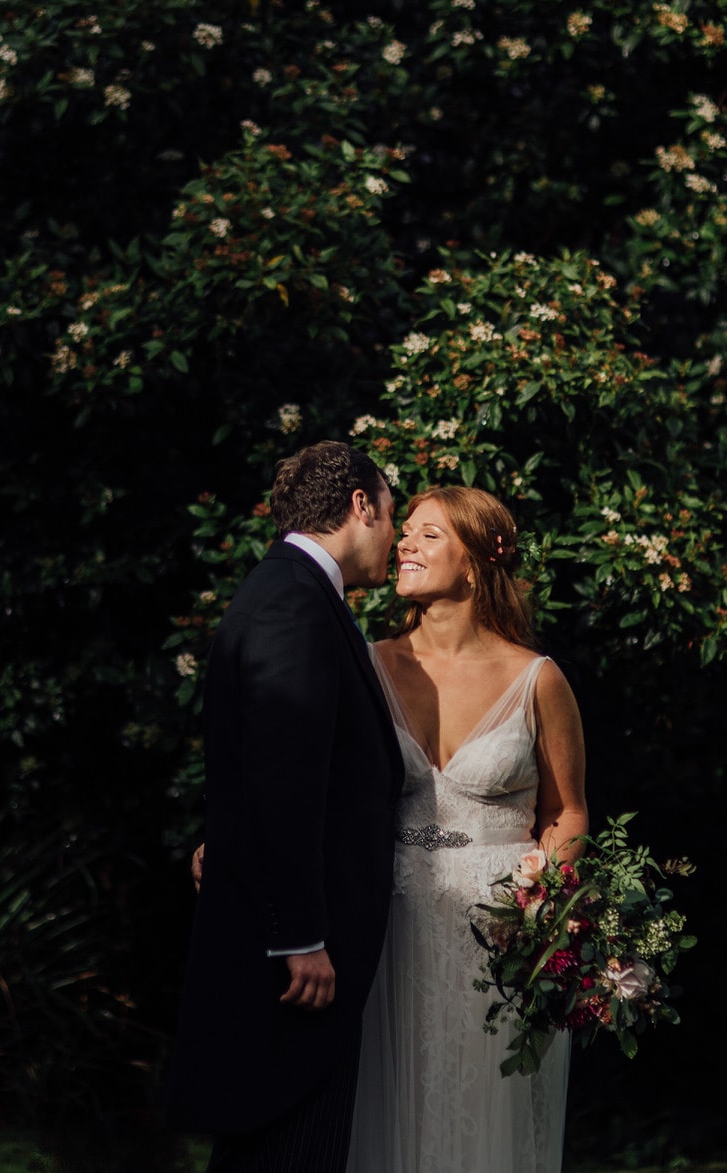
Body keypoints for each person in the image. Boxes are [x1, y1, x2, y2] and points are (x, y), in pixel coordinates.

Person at [169, 440, 406, 1173]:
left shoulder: (290, 592)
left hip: (294, 938)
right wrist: (299, 934)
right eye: (394, 513)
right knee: (286, 1147)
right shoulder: (294, 603)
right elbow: (283, 774)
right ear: (361, 504)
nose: (395, 537)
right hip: (296, 957)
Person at [345, 485, 587, 1173]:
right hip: (389, 922)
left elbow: (566, 810)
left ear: (478, 562)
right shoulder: (368, 665)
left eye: (428, 535)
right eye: (407, 531)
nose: (406, 545)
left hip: (502, 934)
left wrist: (548, 918)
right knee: (388, 1115)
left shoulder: (538, 679)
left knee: (490, 1125)